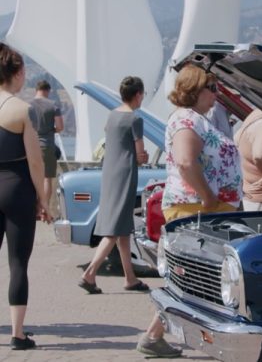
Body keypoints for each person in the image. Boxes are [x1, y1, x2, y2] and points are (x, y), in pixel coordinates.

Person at [137, 64, 242, 358]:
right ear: (196, 89)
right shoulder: (186, 120)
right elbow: (185, 162)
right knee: (192, 277)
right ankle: (157, 336)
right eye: (212, 88)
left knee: (194, 278)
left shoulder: (195, 119)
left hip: (203, 207)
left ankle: (156, 336)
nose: (216, 94)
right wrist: (207, 196)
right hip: (195, 207)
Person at [0, 43, 51, 350]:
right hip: (16, 188)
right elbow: (35, 162)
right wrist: (42, 199)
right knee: (18, 262)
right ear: (17, 73)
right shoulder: (22, 109)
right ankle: (17, 334)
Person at [79, 76, 149, 294]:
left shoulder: (112, 115)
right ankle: (90, 274)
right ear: (138, 94)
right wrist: (144, 157)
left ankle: (130, 278)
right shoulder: (135, 119)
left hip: (110, 174)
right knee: (114, 230)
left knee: (122, 228)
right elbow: (140, 155)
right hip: (125, 175)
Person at [29, 79, 64, 206]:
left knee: (32, 178)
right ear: (48, 91)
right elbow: (60, 127)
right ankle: (44, 208)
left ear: (36, 90)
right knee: (47, 179)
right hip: (47, 146)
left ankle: (33, 208)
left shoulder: (28, 105)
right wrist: (51, 130)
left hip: (31, 146)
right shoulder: (53, 105)